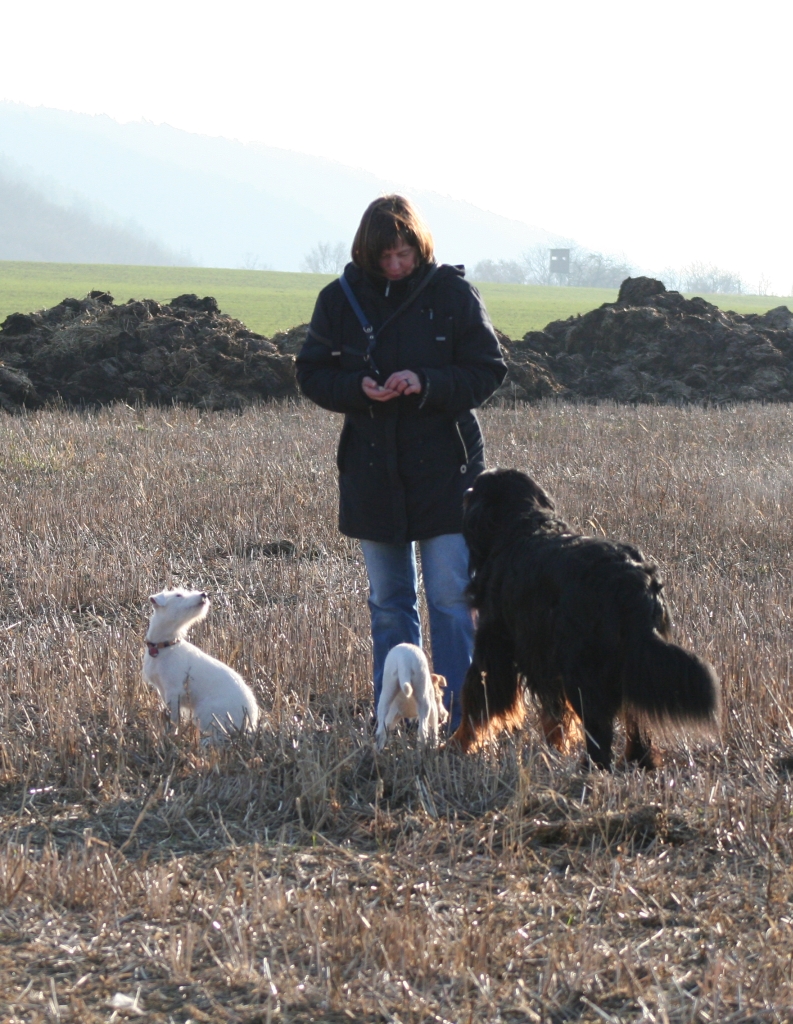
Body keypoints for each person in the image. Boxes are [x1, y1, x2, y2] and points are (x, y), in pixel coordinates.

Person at [296, 195, 506, 730]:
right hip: (372, 471)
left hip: (449, 470)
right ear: (366, 254)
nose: (394, 265)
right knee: (389, 603)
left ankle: (462, 722)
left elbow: (488, 369)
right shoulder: (338, 300)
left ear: (420, 246)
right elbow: (311, 374)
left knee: (452, 599)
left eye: (404, 254)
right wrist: (357, 388)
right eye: (384, 256)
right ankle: (396, 720)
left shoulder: (453, 295)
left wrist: (426, 382)